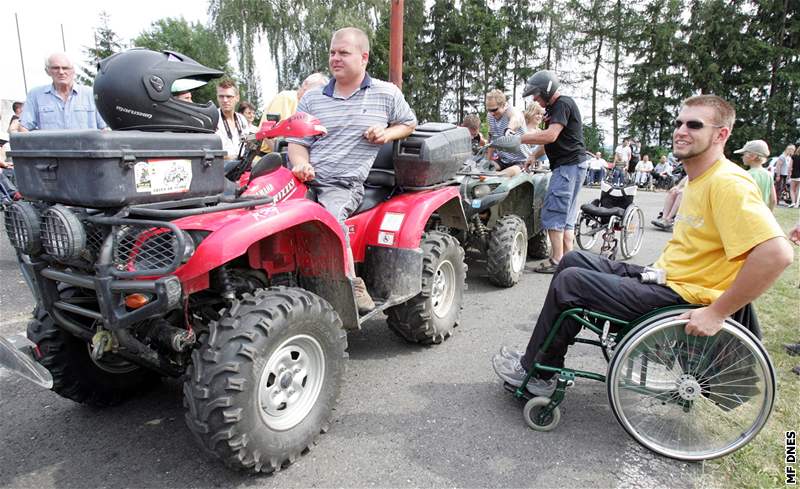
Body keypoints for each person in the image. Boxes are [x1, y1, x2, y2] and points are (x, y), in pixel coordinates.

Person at [492, 94, 793, 396]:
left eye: (694, 125)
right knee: (572, 261)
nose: (681, 130)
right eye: (678, 123)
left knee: (571, 283)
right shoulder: (701, 178)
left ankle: (539, 373)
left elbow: (776, 254)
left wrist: (716, 313)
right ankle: (538, 362)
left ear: (721, 135)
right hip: (666, 280)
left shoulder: (728, 183)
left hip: (682, 297)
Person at [286, 27, 417, 313]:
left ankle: (351, 284)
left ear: (364, 57)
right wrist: (300, 163)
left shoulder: (386, 93)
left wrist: (386, 134)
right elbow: (297, 142)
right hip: (302, 179)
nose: (335, 58)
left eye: (344, 52)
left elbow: (408, 123)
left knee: (329, 221)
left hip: (341, 184)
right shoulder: (312, 98)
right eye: (333, 52)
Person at [493, 70, 588, 273]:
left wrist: (518, 139)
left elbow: (551, 136)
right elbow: (551, 140)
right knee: (567, 216)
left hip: (567, 166)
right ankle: (569, 261)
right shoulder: (556, 108)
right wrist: (533, 156)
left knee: (554, 211)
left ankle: (556, 261)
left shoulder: (562, 104)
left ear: (546, 90)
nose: (535, 98)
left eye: (536, 94)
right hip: (575, 166)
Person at [18, 52, 106, 131]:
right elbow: (23, 128)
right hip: (50, 149)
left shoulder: (91, 94)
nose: (61, 72)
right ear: (47, 71)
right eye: (55, 68)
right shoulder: (35, 95)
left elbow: (104, 129)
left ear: (73, 70)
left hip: (87, 149)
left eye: (65, 68)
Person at [485, 89, 527, 175]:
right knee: (484, 170)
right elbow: (492, 139)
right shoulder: (490, 116)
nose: (492, 113)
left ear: (504, 105)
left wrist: (509, 130)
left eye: (494, 110)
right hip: (503, 160)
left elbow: (515, 119)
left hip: (521, 160)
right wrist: (488, 161)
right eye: (489, 110)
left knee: (502, 176)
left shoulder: (512, 110)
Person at [263, 72, 329, 122]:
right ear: (305, 84)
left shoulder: (307, 107)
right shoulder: (286, 98)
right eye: (314, 92)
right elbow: (274, 131)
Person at [734, 139, 776, 210]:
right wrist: (770, 213)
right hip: (762, 214)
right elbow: (773, 200)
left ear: (752, 156)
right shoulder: (768, 175)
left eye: (744, 154)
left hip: (749, 214)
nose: (742, 157)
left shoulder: (746, 175)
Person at [215, 79, 249, 159]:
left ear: (237, 98)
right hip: (221, 168)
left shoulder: (242, 119)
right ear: (217, 98)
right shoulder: (212, 119)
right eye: (221, 96)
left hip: (241, 166)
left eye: (229, 96)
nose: (225, 100)